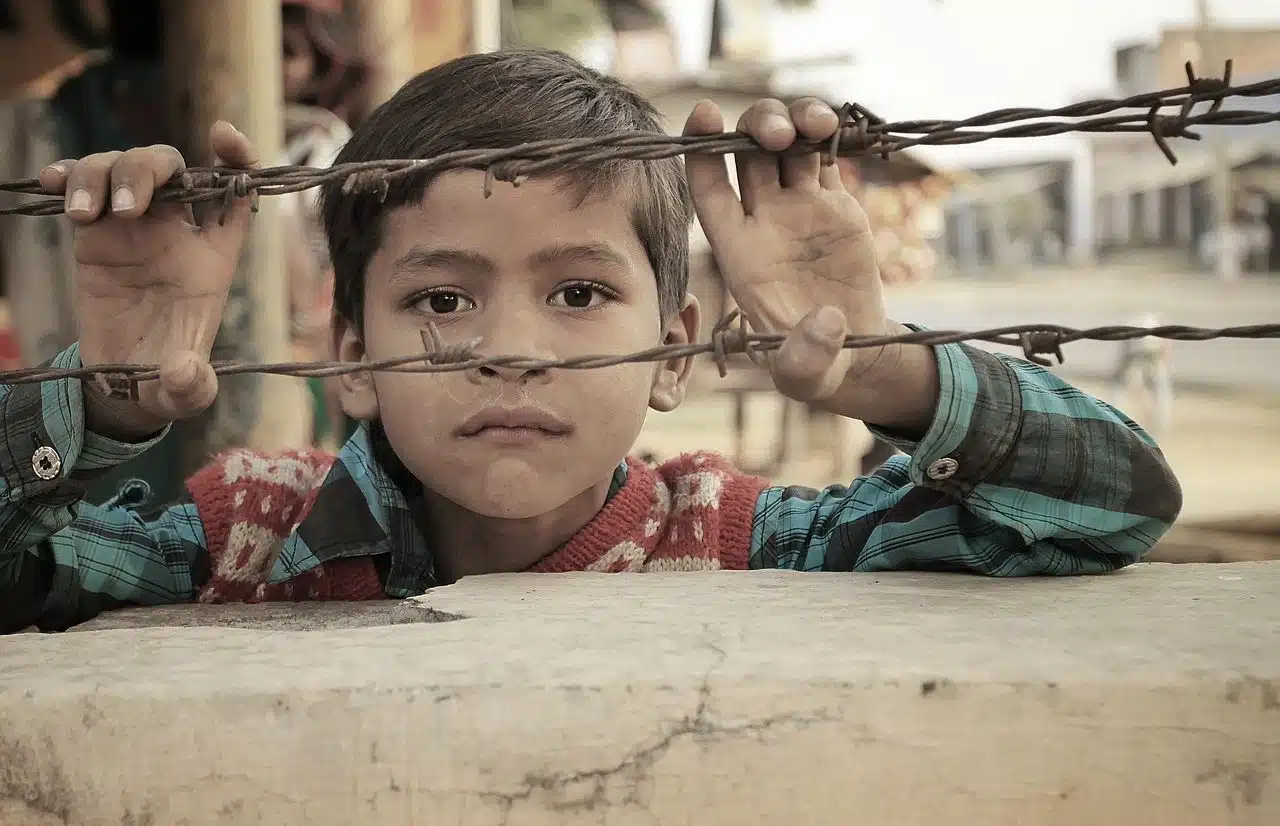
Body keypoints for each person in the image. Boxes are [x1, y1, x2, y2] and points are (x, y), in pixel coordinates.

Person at [0, 50, 1183, 632]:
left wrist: (874, 360)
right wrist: (107, 401)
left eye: (576, 293)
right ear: (347, 351)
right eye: (443, 302)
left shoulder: (742, 541)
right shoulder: (243, 536)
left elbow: (1113, 503)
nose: (510, 350)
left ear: (675, 350)